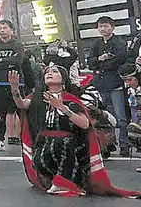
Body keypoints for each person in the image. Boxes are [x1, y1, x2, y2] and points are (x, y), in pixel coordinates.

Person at [11, 65, 138, 197]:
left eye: (55, 72)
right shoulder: (37, 98)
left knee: (63, 142)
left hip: (70, 147)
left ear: (63, 79)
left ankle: (66, 183)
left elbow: (84, 124)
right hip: (44, 146)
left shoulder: (71, 100)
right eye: (47, 72)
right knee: (43, 156)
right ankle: (57, 180)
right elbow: (21, 104)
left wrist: (63, 108)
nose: (49, 74)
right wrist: (15, 89)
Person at [87, 16, 130, 156]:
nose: (103, 29)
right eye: (100, 26)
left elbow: (118, 61)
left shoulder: (119, 43)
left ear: (112, 27)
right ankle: (108, 144)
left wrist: (100, 63)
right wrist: (100, 59)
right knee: (104, 117)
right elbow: (90, 61)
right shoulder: (96, 43)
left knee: (120, 117)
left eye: (106, 26)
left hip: (116, 84)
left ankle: (124, 144)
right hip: (100, 85)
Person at [0, 19, 28, 151]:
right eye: (0, 28)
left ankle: (27, 138)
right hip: (0, 82)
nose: (2, 31)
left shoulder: (17, 44)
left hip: (17, 82)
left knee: (21, 111)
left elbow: (18, 60)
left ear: (11, 30)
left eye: (5, 28)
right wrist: (5, 62)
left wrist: (3, 61)